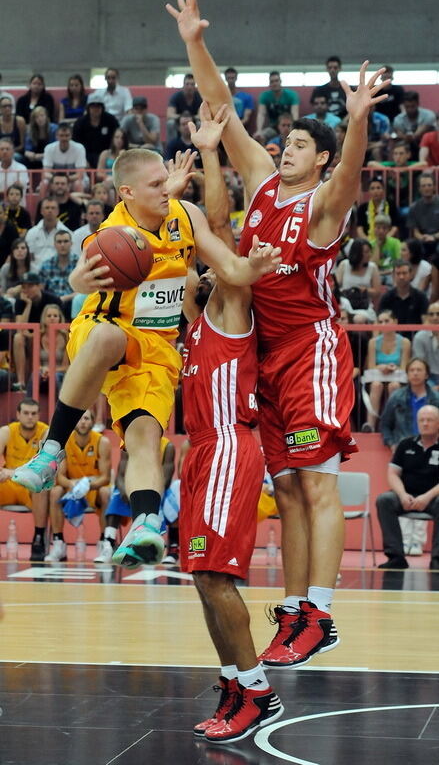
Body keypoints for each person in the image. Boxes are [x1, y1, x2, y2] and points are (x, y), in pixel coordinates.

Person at [166, 0, 389, 669]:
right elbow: (222, 112)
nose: (283, 148)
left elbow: (350, 173)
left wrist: (352, 122)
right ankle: (294, 607)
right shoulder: (262, 182)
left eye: (297, 143)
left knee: (315, 483)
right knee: (287, 485)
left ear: (316, 158)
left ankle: (318, 610)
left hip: (311, 347)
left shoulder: (322, 206)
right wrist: (195, 43)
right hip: (264, 353)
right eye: (285, 142)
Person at [12, 142, 281, 573]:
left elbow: (230, 270)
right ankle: (51, 452)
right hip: (107, 329)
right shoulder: (110, 236)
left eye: (166, 182)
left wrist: (256, 265)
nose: (166, 189)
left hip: (157, 350)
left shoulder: (185, 216)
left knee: (143, 439)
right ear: (126, 193)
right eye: (155, 184)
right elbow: (81, 277)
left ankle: (145, 524)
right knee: (104, 341)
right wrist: (77, 279)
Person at [179, 104, 283, 743]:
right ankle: (232, 680)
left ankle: (258, 692)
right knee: (200, 575)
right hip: (200, 453)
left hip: (227, 450)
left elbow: (214, 224)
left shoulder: (229, 302)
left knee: (216, 576)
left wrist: (207, 161)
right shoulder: (191, 326)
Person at [376, 404, 439, 570]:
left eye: (430, 420)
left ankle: (437, 559)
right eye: (422, 420)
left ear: (438, 423)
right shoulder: (405, 444)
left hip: (433, 498)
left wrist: (426, 497)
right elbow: (393, 474)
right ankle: (396, 556)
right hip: (406, 496)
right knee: (384, 500)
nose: (425, 423)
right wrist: (403, 495)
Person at [44, 409, 111, 562]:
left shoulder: (102, 442)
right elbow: (59, 477)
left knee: (106, 492)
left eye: (86, 418)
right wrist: (72, 485)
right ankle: (58, 543)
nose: (83, 422)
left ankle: (105, 543)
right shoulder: (66, 442)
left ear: (93, 422)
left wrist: (86, 484)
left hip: (92, 488)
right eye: (80, 419)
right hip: (71, 489)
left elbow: (106, 478)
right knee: (55, 491)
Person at [97, 435, 175, 564]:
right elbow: (120, 476)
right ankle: (109, 544)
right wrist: (129, 492)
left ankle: (161, 547)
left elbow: (165, 480)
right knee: (116, 496)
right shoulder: (129, 442)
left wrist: (150, 494)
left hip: (157, 490)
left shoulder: (168, 446)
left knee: (170, 502)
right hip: (131, 488)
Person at [0, 398, 49, 560]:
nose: (30, 417)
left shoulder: (45, 432)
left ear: (39, 415)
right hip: (8, 485)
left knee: (42, 486)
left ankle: (38, 540)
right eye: (26, 413)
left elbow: (45, 468)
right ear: (18, 415)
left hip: (30, 485)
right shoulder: (6, 432)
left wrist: (11, 472)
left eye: (34, 413)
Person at [361, 309, 411, 432]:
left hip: (398, 378)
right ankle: (370, 425)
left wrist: (393, 368)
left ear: (395, 322)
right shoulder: (373, 342)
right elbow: (371, 366)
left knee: (394, 386)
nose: (383, 324)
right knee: (376, 385)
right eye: (380, 321)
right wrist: (381, 367)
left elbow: (404, 368)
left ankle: (393, 424)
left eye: (386, 321)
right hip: (378, 377)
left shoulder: (405, 342)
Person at [12, 273, 62, 392]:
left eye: (30, 286)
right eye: (23, 287)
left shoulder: (53, 300)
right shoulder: (20, 302)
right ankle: (21, 382)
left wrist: (36, 334)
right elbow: (20, 328)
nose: (26, 290)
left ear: (39, 286)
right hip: (29, 338)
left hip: (48, 337)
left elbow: (59, 326)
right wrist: (28, 305)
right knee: (18, 338)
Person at [26, 304, 68, 397]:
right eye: (49, 316)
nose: (52, 318)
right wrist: (43, 369)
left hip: (60, 375)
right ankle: (29, 405)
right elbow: (35, 364)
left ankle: (58, 410)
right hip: (42, 373)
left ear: (60, 319)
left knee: (55, 377)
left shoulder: (66, 337)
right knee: (35, 374)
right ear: (44, 319)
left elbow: (66, 367)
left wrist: (52, 370)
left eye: (55, 316)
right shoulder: (38, 336)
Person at [336, 239, 381, 323]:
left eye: (370, 251)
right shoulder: (344, 264)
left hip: (363, 305)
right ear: (357, 253)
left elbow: (377, 292)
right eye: (366, 252)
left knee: (358, 319)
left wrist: (364, 290)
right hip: (345, 304)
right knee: (339, 318)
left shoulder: (372, 267)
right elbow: (337, 287)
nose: (369, 255)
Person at [378, 260, 429, 331]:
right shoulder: (386, 297)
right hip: (392, 338)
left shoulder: (421, 297)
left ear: (411, 275)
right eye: (398, 273)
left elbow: (426, 322)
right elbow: (379, 322)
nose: (401, 277)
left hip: (416, 338)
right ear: (393, 275)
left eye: (404, 273)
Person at [38, 230, 79, 319]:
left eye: (65, 241)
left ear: (71, 243)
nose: (62, 245)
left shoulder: (79, 263)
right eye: (59, 242)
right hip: (51, 304)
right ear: (54, 244)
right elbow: (41, 290)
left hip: (72, 302)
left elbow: (84, 291)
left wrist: (65, 298)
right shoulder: (46, 264)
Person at [72, 93, 119, 169]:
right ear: (88, 108)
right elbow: (75, 143)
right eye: (93, 106)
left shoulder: (111, 120)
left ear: (102, 108)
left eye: (98, 106)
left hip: (107, 155)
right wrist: (82, 159)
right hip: (86, 155)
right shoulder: (80, 123)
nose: (96, 109)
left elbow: (117, 137)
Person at [26, 196, 71, 269]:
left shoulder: (67, 233)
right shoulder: (31, 233)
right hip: (36, 272)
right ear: (41, 211)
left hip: (58, 272)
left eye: (53, 208)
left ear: (58, 211)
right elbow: (29, 257)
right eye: (47, 208)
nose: (50, 210)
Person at [255, 71, 299, 143]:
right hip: (273, 127)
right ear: (269, 83)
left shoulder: (291, 95)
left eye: (276, 81)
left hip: (288, 125)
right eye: (272, 81)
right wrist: (259, 130)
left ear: (280, 81)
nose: (274, 83)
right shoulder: (264, 96)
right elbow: (261, 114)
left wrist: (295, 129)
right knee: (260, 137)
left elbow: (295, 113)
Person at [41, 124, 87, 191]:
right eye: (61, 136)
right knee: (44, 183)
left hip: (74, 180)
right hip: (56, 180)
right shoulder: (49, 148)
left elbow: (80, 175)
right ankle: (43, 201)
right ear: (56, 136)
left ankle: (80, 201)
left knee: (78, 184)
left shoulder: (79, 148)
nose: (64, 138)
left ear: (71, 136)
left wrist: (65, 180)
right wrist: (58, 180)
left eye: (67, 135)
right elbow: (45, 173)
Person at [393, 92, 436, 158]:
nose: (410, 109)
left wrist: (409, 137)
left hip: (428, 145)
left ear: (418, 104)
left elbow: (419, 132)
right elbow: (399, 134)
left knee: (424, 141)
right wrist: (404, 137)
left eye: (413, 106)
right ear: (403, 105)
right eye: (407, 107)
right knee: (399, 145)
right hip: (408, 144)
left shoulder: (429, 115)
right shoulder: (398, 119)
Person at [356, 176, 400, 241]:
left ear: (383, 190)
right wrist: (368, 241)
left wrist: (385, 239)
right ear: (369, 191)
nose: (375, 191)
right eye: (372, 188)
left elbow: (395, 227)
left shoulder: (391, 206)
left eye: (378, 188)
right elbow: (359, 228)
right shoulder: (362, 208)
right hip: (368, 241)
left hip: (387, 240)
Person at [407, 172, 439, 260]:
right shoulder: (414, 207)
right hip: (423, 240)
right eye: (423, 186)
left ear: (434, 187)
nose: (427, 188)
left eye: (429, 185)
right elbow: (415, 232)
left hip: (437, 238)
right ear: (419, 189)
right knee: (412, 247)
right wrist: (423, 237)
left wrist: (434, 237)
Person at [166, 73, 202, 142]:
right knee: (170, 123)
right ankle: (171, 146)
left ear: (195, 86)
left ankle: (199, 146)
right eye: (187, 84)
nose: (189, 87)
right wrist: (182, 118)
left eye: (192, 84)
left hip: (193, 122)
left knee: (200, 123)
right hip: (179, 122)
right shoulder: (176, 97)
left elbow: (201, 115)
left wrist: (191, 118)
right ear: (183, 85)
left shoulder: (199, 97)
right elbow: (169, 115)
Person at [412, 301, 439, 388]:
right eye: (431, 314)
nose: (435, 318)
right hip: (428, 377)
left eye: (438, 314)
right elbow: (420, 363)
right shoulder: (419, 337)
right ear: (427, 317)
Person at [370, 213, 402, 285]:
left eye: (384, 228)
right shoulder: (370, 244)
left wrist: (383, 272)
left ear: (389, 229)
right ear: (374, 228)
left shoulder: (395, 243)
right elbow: (373, 265)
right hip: (376, 274)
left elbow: (399, 263)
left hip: (391, 273)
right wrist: (377, 246)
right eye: (378, 228)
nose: (381, 231)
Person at [0, 202, 20, 268]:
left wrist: (6, 266)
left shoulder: (11, 229)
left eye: (0, 213)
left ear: (4, 214)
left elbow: (16, 248)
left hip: (8, 264)